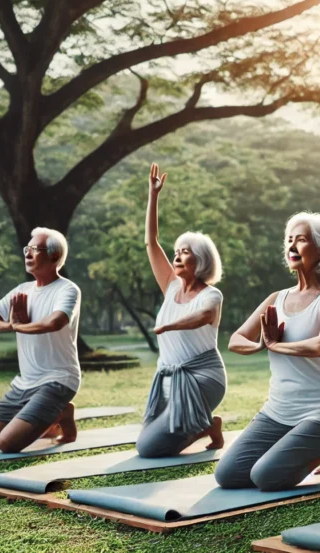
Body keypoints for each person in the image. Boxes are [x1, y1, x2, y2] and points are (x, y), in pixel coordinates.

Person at [215, 211, 320, 491]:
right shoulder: (276, 298)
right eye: (289, 240)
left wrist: (278, 345)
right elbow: (236, 339)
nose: (291, 246)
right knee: (229, 475)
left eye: (301, 240)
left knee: (267, 477)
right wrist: (260, 344)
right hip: (280, 409)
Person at [136, 163, 226, 457]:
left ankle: (205, 426)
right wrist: (153, 196)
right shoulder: (171, 286)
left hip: (202, 377)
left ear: (200, 260)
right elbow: (151, 243)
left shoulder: (212, 295)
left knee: (149, 449)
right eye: (177, 250)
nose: (177, 254)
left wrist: (169, 326)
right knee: (146, 438)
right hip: (168, 378)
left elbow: (202, 317)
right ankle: (206, 425)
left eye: (185, 251)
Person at [0, 227, 81, 453]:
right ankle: (55, 412)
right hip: (24, 383)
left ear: (54, 256)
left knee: (6, 443)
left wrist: (21, 326)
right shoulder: (22, 290)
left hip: (57, 380)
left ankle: (60, 412)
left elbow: (55, 322)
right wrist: (10, 325)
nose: (28, 254)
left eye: (35, 249)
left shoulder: (68, 290)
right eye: (26, 249)